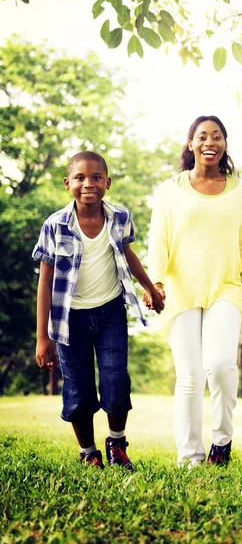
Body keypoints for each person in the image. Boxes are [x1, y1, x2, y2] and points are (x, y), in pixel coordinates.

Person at [146, 115, 242, 468]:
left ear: (225, 144)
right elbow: (158, 240)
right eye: (202, 136)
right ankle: (190, 456)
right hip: (180, 290)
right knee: (189, 374)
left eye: (217, 136)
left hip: (226, 288)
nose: (209, 142)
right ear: (190, 144)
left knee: (218, 365)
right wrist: (155, 283)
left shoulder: (239, 190)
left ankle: (222, 442)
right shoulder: (170, 189)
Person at [33, 151, 164, 470]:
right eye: (79, 178)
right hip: (69, 321)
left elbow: (128, 254)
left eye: (95, 177)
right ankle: (89, 452)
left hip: (111, 314)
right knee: (77, 389)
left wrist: (149, 286)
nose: (88, 184)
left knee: (116, 382)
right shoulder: (55, 225)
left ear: (108, 182)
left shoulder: (119, 217)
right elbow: (46, 282)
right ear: (68, 184)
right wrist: (42, 337)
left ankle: (117, 444)